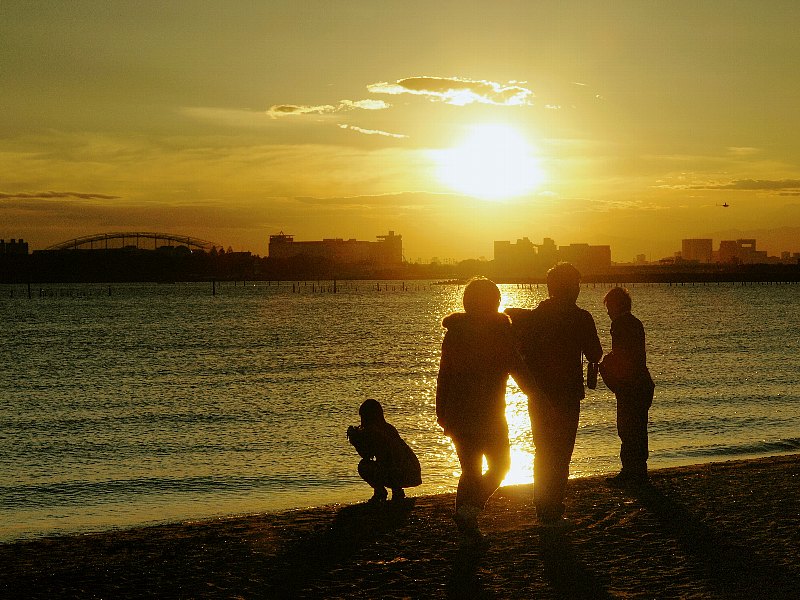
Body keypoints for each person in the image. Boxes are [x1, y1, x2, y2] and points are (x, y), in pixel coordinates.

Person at [436, 277, 541, 544]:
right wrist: (537, 396)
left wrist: (442, 411)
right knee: (501, 465)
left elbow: (444, 375)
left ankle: (466, 519)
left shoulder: (455, 332)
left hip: (459, 412)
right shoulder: (498, 332)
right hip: (489, 412)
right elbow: (516, 367)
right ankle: (469, 512)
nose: (498, 303)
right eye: (495, 299)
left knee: (470, 470)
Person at [505, 262, 602, 526]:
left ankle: (542, 504)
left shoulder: (534, 316)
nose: (579, 289)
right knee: (561, 452)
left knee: (542, 449)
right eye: (577, 284)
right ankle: (553, 506)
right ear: (570, 287)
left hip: (538, 393)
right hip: (567, 394)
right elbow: (595, 353)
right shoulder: (580, 317)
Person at [599, 287, 655, 485]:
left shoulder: (620, 324)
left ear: (615, 305)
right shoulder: (635, 323)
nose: (607, 312)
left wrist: (606, 366)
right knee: (638, 429)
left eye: (608, 306)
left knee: (628, 428)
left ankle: (631, 471)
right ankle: (638, 470)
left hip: (631, 386)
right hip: (642, 383)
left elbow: (623, 355)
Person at [346, 398, 422, 503]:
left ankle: (384, 491)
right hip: (412, 472)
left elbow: (369, 456)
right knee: (386, 464)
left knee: (364, 466)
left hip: (404, 473)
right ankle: (396, 490)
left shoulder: (375, 432)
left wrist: (355, 440)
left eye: (363, 416)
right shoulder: (388, 428)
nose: (362, 420)